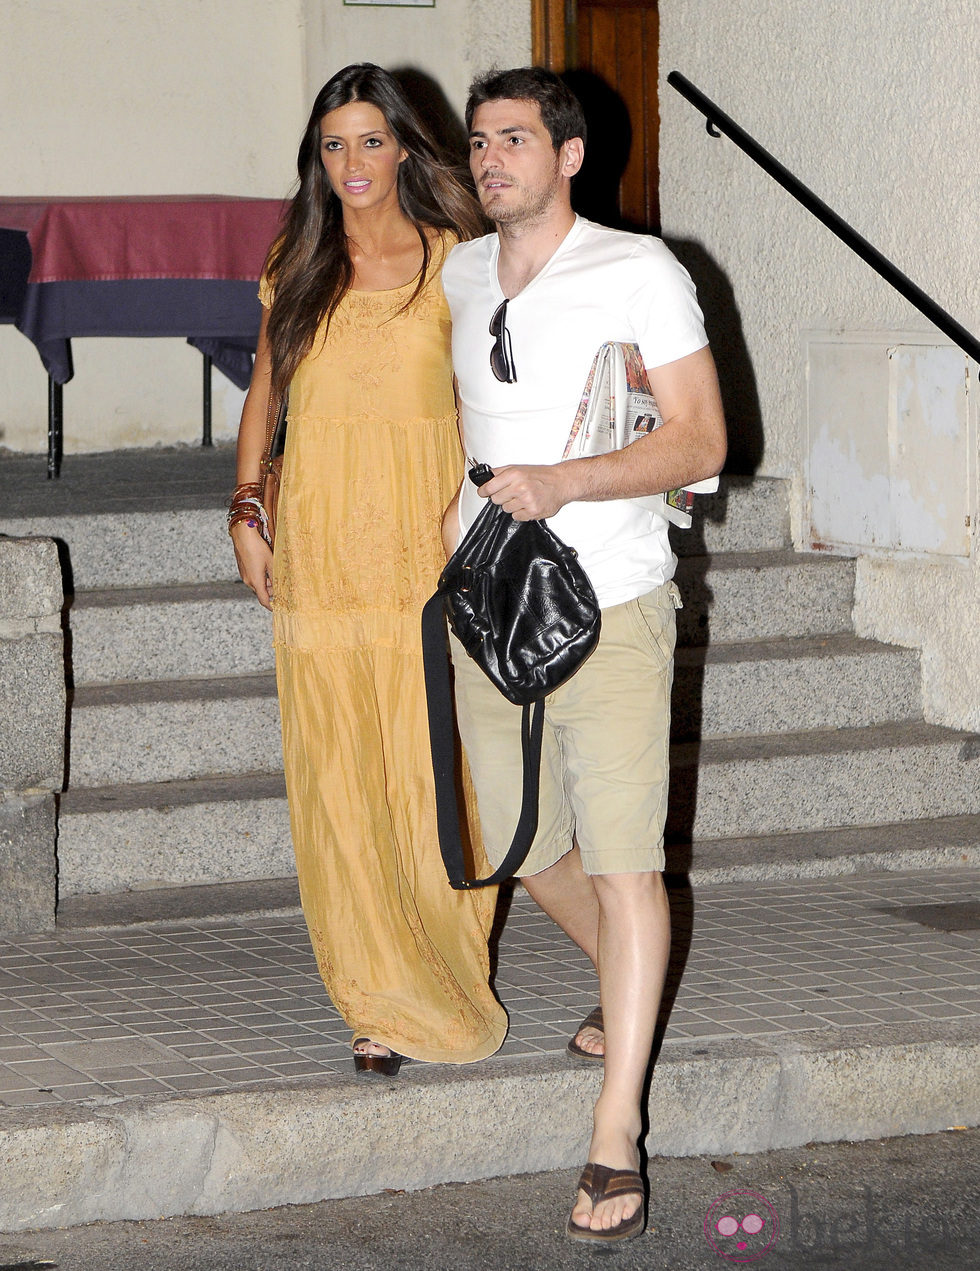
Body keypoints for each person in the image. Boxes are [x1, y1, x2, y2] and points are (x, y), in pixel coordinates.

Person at [441, 67, 726, 1241]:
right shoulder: (460, 270)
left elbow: (702, 437)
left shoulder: (640, 270)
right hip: (485, 599)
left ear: (567, 155)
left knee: (623, 859)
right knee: (516, 841)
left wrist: (564, 484)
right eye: (476, 142)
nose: (489, 158)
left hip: (609, 597)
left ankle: (617, 1129)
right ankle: (631, 981)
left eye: (513, 139)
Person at [229, 63, 507, 1076]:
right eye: (333, 144)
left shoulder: (460, 261)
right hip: (321, 539)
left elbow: (492, 396)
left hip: (426, 542)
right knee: (338, 772)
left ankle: (447, 966)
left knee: (441, 768)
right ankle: (373, 994)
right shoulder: (296, 260)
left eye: (369, 141)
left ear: (403, 146)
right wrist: (246, 507)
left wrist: (469, 504)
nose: (351, 163)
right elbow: (265, 394)